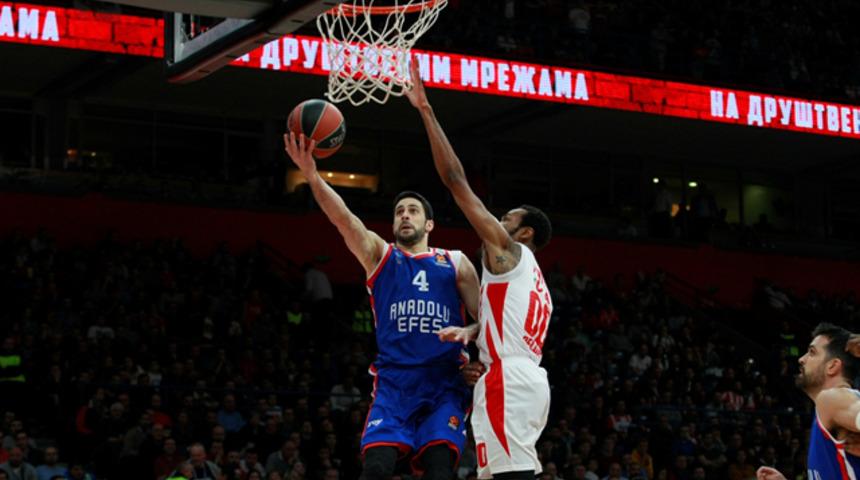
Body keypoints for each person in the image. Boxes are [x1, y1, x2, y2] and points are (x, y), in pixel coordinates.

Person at [283, 132, 481, 480]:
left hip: (444, 384)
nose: (405, 216)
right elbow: (344, 219)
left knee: (439, 470)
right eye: (399, 212)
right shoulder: (381, 256)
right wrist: (313, 175)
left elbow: (491, 322)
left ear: (428, 224)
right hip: (394, 385)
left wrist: (470, 334)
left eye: (413, 211)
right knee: (375, 469)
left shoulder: (456, 262)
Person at [405, 63, 553, 480]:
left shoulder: (509, 251)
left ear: (523, 232)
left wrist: (426, 110)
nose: (497, 223)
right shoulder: (534, 281)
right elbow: (506, 325)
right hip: (519, 378)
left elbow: (455, 181)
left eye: (505, 218)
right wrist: (473, 333)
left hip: (509, 380)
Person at [757, 323, 860, 479]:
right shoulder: (830, 408)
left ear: (832, 366)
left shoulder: (832, 399)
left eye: (812, 352)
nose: (801, 359)